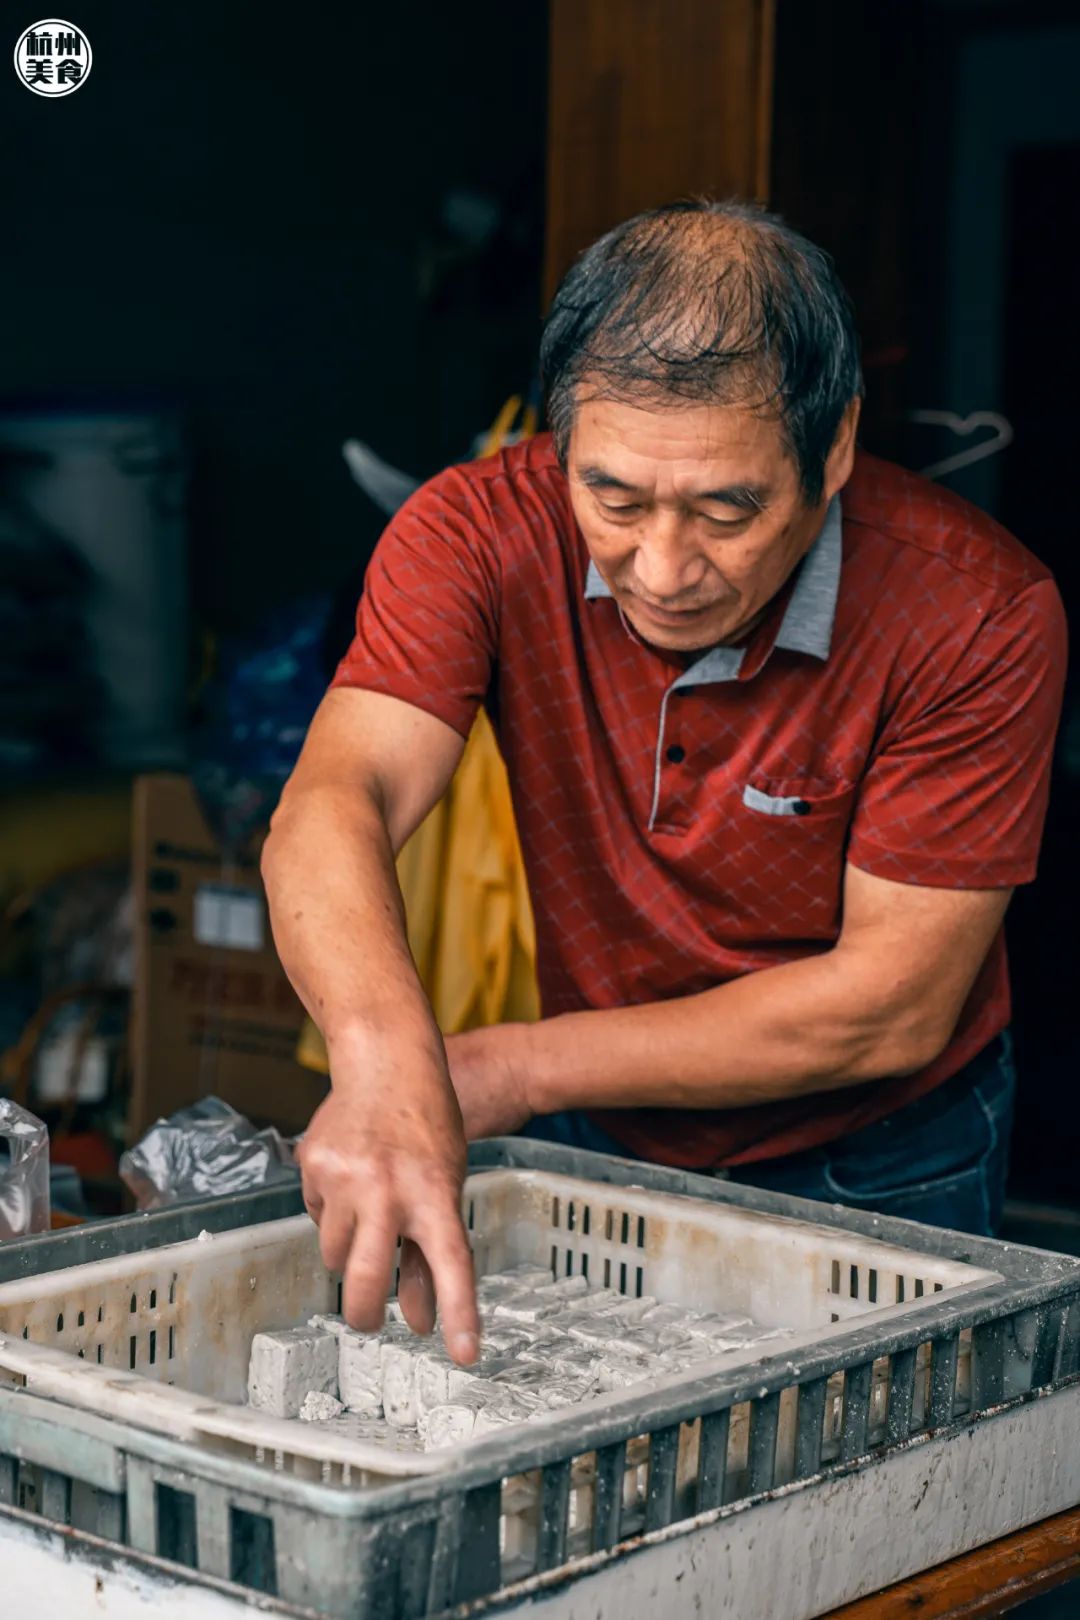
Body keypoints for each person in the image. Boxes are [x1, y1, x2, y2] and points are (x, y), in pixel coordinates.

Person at [262, 201, 1066, 1366]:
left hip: (883, 1150)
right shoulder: (476, 531)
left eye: (727, 510)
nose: (665, 569)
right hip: (598, 1123)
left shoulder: (976, 612)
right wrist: (387, 1062)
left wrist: (501, 1065)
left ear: (832, 448)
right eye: (616, 499)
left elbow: (891, 1006)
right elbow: (340, 799)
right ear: (560, 440)